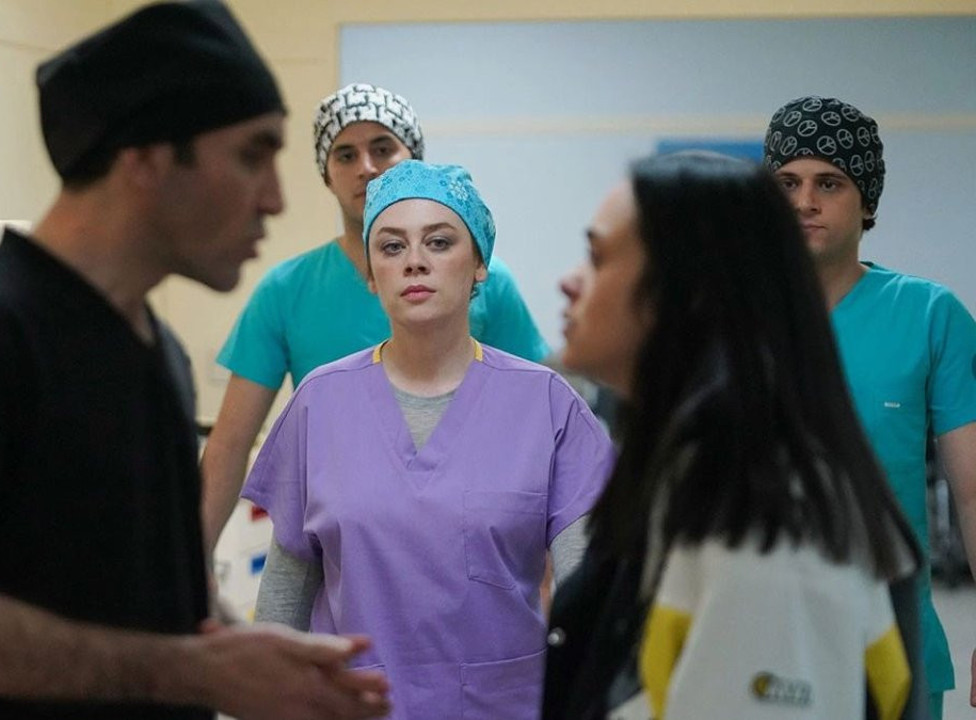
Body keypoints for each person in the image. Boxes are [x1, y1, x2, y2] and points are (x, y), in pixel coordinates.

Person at [0, 3, 391, 719]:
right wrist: (195, 673)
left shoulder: (153, 353)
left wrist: (253, 654)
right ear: (147, 160)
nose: (275, 198)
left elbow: (146, 604)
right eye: (251, 156)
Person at [543, 151, 922, 719]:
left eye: (597, 258)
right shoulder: (688, 466)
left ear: (687, 290)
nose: (569, 281)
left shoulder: (764, 513)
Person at [243, 160, 613, 719]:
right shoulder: (321, 401)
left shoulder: (547, 405)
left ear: (480, 264)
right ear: (372, 275)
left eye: (439, 242)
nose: (414, 261)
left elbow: (589, 590)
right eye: (391, 247)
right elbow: (287, 590)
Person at [201, 83, 549, 549]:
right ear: (326, 175)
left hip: (469, 533)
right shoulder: (285, 291)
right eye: (345, 155)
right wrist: (193, 561)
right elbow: (229, 445)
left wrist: (545, 558)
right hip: (337, 539)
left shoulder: (485, 281)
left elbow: (534, 422)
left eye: (383, 148)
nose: (365, 167)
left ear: (415, 159)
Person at [763, 95, 976, 717]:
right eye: (787, 183)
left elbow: (972, 493)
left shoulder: (930, 316)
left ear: (868, 201)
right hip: (750, 647)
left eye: (828, 183)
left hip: (893, 647)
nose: (805, 201)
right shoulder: (726, 319)